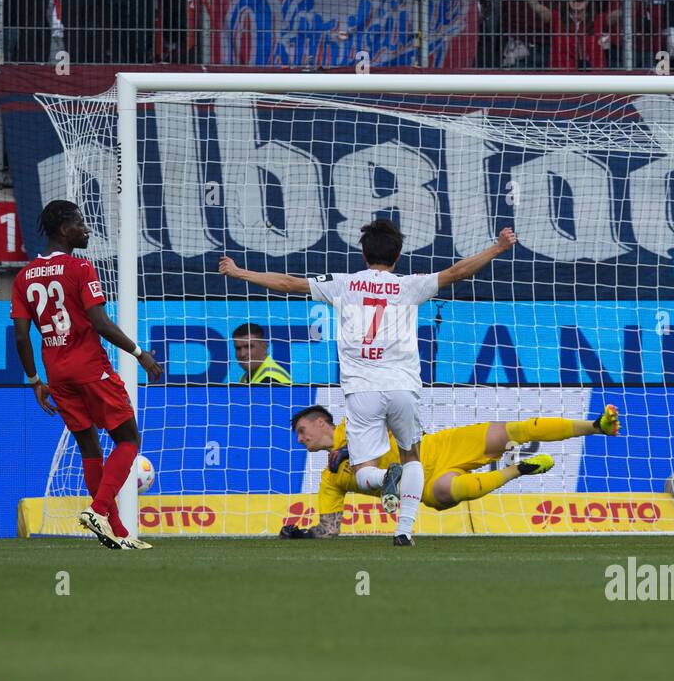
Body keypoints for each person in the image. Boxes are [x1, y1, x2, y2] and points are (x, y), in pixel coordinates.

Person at [219, 219, 518, 546]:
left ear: (363, 254)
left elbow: (290, 283)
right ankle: (404, 529)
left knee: (361, 472)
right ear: (398, 254)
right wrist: (498, 247)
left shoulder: (343, 284)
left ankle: (382, 477)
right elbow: (457, 272)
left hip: (362, 389)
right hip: (402, 386)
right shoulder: (409, 284)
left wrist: (239, 272)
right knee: (412, 457)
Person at [11, 200, 163, 551]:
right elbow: (99, 321)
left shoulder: (24, 277)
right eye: (80, 223)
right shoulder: (80, 268)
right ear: (63, 229)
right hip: (91, 368)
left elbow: (21, 335)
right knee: (128, 440)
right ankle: (97, 510)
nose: (86, 229)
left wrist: (35, 381)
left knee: (90, 448)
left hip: (57, 373)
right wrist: (141, 355)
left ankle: (119, 532)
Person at [283, 403, 622, 538]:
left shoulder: (356, 423)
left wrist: (348, 449)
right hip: (425, 485)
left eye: (302, 431)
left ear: (320, 422)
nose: (301, 440)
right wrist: (302, 535)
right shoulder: (330, 479)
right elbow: (329, 531)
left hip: (441, 446)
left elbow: (394, 412)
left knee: (517, 430)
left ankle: (596, 425)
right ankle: (519, 469)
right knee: (447, 494)